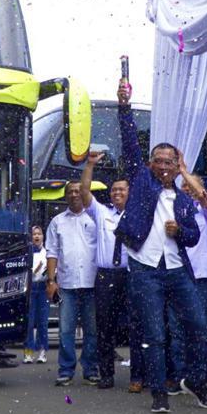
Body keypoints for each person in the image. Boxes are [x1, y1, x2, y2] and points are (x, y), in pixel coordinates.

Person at [112, 78, 207, 413]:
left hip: (176, 271)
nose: (161, 165)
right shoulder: (140, 181)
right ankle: (159, 392)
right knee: (154, 333)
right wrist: (124, 107)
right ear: (150, 164)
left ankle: (198, 381)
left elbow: (194, 236)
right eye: (157, 159)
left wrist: (179, 231)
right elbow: (129, 143)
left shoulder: (185, 200)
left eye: (168, 161)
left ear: (177, 166)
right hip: (145, 269)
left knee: (200, 328)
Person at [80, 153, 142, 390]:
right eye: (114, 190)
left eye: (122, 190)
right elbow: (85, 193)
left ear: (130, 193)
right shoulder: (102, 212)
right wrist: (90, 165)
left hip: (131, 275)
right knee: (104, 327)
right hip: (106, 276)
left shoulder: (138, 216)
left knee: (137, 327)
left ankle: (138, 376)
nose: (117, 193)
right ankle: (106, 374)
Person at [175, 159, 207, 398]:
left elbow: (201, 194)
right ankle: (185, 377)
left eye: (190, 186)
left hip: (202, 278)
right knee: (179, 329)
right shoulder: (178, 211)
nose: (186, 189)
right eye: (183, 186)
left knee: (203, 329)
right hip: (179, 276)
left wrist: (183, 170)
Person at [45, 182, 100, 386]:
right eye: (70, 192)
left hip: (92, 283)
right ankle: (66, 370)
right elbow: (52, 252)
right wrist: (51, 281)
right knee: (65, 330)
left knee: (92, 330)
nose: (74, 194)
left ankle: (90, 368)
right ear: (65, 196)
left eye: (78, 191)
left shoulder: (95, 218)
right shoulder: (57, 221)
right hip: (66, 284)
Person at [24, 226, 48, 364]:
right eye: (34, 234)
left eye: (39, 234)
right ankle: (28, 352)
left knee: (42, 322)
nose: (37, 236)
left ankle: (42, 351)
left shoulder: (47, 252)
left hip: (43, 288)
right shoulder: (27, 253)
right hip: (30, 288)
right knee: (29, 322)